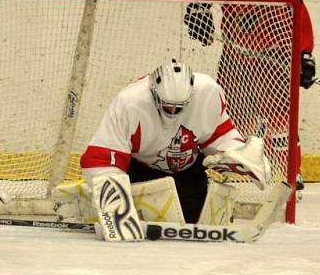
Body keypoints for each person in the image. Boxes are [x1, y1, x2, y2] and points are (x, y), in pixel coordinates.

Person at [186, 0, 316, 190]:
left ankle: (290, 171)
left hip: (273, 59)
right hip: (235, 58)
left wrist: (304, 57)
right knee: (234, 116)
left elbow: (299, 20)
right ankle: (243, 168)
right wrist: (197, 14)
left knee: (280, 118)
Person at [79, 60, 268, 224]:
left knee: (194, 218)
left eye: (178, 108)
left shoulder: (208, 93)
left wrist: (240, 154)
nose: (172, 113)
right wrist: (112, 205)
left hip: (187, 171)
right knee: (142, 216)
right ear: (153, 93)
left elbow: (219, 136)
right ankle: (88, 198)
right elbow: (102, 158)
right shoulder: (129, 103)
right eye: (167, 106)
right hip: (140, 171)